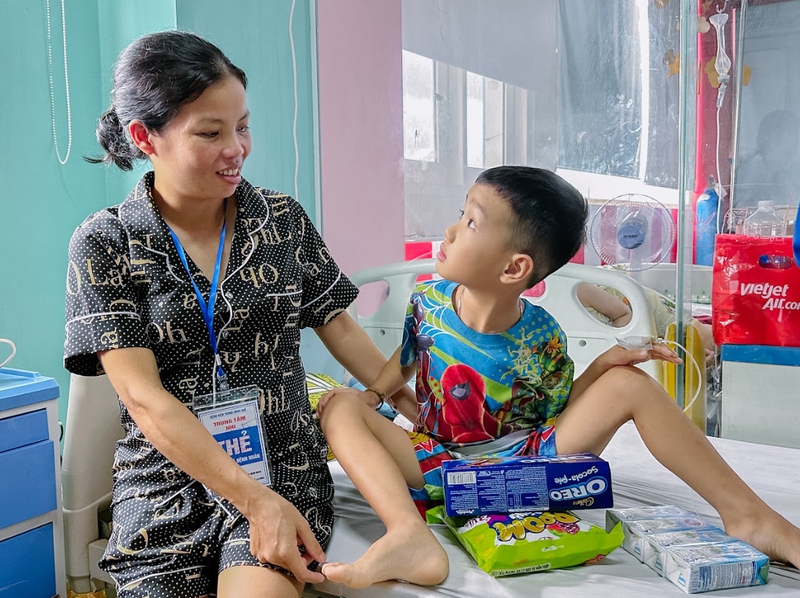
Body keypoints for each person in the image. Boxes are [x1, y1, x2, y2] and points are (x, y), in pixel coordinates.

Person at [317, 166, 800, 588]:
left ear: (514, 267)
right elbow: (405, 359)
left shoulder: (540, 338)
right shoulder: (427, 302)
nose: (448, 231)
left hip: (524, 470)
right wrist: (376, 394)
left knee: (630, 384)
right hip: (438, 466)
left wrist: (604, 364)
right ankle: (409, 534)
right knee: (338, 404)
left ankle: (748, 515)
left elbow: (561, 415)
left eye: (469, 222)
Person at [63, 31, 409, 598]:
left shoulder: (281, 221)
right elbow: (145, 400)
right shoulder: (104, 242)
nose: (237, 149)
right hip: (163, 486)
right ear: (144, 138)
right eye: (211, 133)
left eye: (242, 126)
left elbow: (338, 324)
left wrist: (413, 408)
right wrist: (251, 499)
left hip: (279, 466)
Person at [735, 109, 800, 209]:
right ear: (771, 137)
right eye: (791, 132)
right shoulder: (747, 172)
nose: (797, 138)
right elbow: (739, 209)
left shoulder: (796, 171)